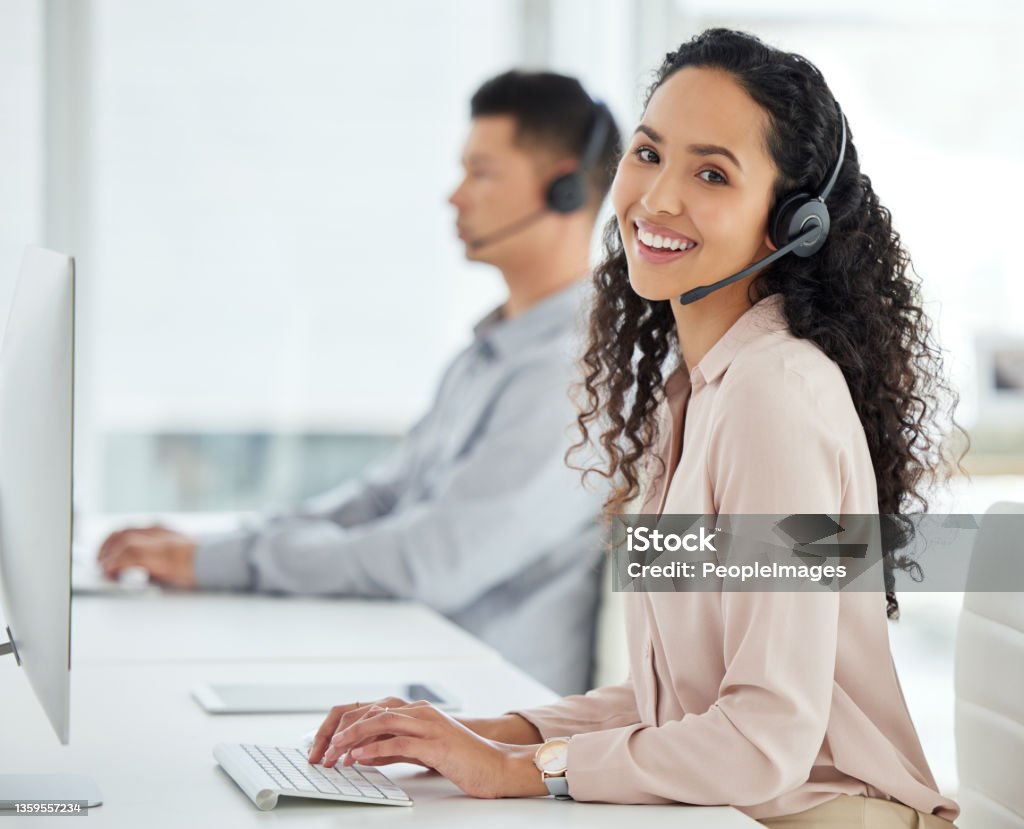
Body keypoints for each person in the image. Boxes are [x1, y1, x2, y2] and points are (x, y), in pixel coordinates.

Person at [305, 29, 963, 827]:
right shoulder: (689, 394)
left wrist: (519, 770)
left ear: (791, 223)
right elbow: (673, 696)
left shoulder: (774, 400)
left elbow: (765, 737)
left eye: (712, 172)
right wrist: (484, 735)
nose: (656, 198)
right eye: (648, 154)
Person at [97, 70, 622, 696]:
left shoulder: (573, 372)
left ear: (563, 189)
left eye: (481, 172)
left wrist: (218, 563)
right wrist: (219, 548)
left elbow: (428, 561)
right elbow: (377, 500)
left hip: (482, 708)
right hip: (404, 666)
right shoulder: (490, 351)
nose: (456, 196)